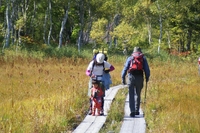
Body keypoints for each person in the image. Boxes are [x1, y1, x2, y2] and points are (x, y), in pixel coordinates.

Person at [121, 46, 150, 117]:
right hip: (139, 77)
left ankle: (132, 110)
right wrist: (147, 77)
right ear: (140, 51)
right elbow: (147, 69)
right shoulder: (143, 58)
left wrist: (123, 78)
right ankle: (137, 110)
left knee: (131, 94)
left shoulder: (130, 58)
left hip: (131, 77)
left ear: (133, 51)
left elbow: (125, 69)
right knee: (138, 94)